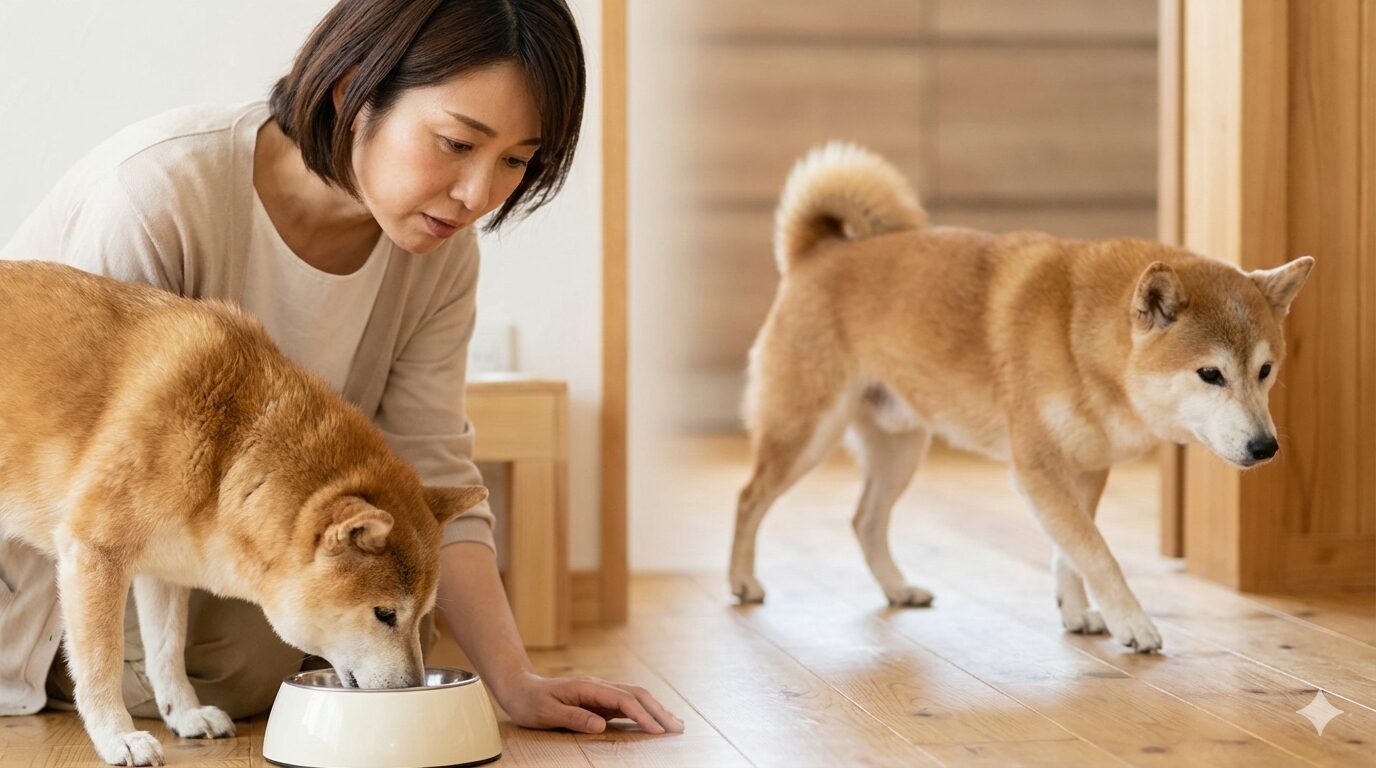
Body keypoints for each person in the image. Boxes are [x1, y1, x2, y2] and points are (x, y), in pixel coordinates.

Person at [0, 0, 682, 736]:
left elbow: (431, 466)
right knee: (262, 646)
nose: (478, 195)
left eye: (516, 161)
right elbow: (85, 505)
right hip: (51, 570)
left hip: (211, 550)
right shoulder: (160, 194)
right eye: (457, 142)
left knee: (344, 624)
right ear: (352, 90)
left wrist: (513, 683)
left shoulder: (442, 255)